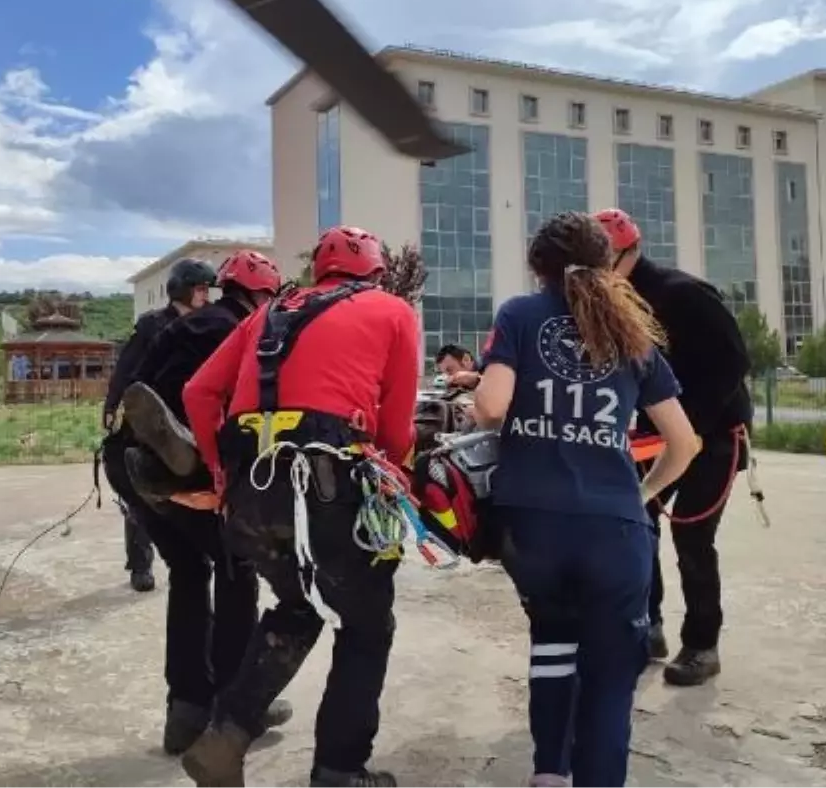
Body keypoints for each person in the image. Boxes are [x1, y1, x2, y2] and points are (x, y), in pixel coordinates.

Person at [179, 225, 420, 788]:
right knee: (365, 624)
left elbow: (198, 393)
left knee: (299, 604)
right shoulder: (390, 310)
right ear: (376, 273)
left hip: (252, 490)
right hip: (329, 483)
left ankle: (225, 738)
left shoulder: (264, 316)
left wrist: (219, 472)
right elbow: (395, 426)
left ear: (320, 271)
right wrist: (398, 478)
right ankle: (340, 769)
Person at [473, 210, 700, 788]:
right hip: (613, 530)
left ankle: (550, 771)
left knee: (551, 643)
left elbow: (492, 408)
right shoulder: (631, 333)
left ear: (537, 266)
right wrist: (641, 493)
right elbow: (685, 444)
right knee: (608, 676)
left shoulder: (520, 316)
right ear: (607, 263)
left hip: (534, 530)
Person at [115, 249, 295, 755]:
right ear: (262, 294)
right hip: (192, 465)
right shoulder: (250, 330)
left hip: (131, 467)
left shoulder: (176, 326)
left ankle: (186, 708)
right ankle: (231, 708)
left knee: (191, 574)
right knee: (237, 567)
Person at [593, 207, 754, 687]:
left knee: (692, 538)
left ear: (629, 251)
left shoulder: (683, 294)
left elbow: (733, 361)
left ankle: (703, 645)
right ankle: (648, 629)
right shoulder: (613, 302)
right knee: (638, 526)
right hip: (652, 438)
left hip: (714, 436)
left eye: (602, 262)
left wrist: (692, 427)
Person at [100, 257, 217, 592]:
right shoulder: (152, 324)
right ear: (181, 290)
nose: (205, 296)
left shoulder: (204, 325)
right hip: (147, 425)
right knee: (141, 493)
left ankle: (190, 553)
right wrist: (112, 407)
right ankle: (139, 563)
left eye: (206, 289)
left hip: (182, 425)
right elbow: (126, 371)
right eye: (199, 289)